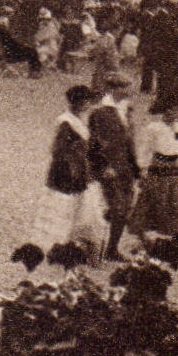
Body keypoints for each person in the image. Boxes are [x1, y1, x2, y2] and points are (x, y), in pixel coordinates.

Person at [29, 84, 106, 252]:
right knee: (62, 207)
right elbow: (59, 149)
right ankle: (57, 245)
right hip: (66, 170)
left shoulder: (80, 121)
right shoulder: (66, 122)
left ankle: (75, 243)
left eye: (88, 101)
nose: (87, 105)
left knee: (82, 207)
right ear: (76, 103)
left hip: (80, 169)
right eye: (85, 101)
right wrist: (73, 161)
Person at [128, 89, 178, 246]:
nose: (177, 113)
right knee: (149, 203)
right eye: (174, 109)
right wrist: (142, 170)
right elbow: (145, 150)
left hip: (175, 169)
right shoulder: (154, 127)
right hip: (158, 168)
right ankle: (143, 236)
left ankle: (176, 239)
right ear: (166, 109)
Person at [87, 73, 139, 263]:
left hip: (125, 167)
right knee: (111, 208)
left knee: (124, 208)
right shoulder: (100, 112)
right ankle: (98, 248)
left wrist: (135, 166)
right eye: (124, 87)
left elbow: (129, 141)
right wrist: (104, 166)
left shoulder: (126, 109)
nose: (128, 91)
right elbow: (95, 143)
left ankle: (111, 248)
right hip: (108, 169)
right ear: (113, 89)